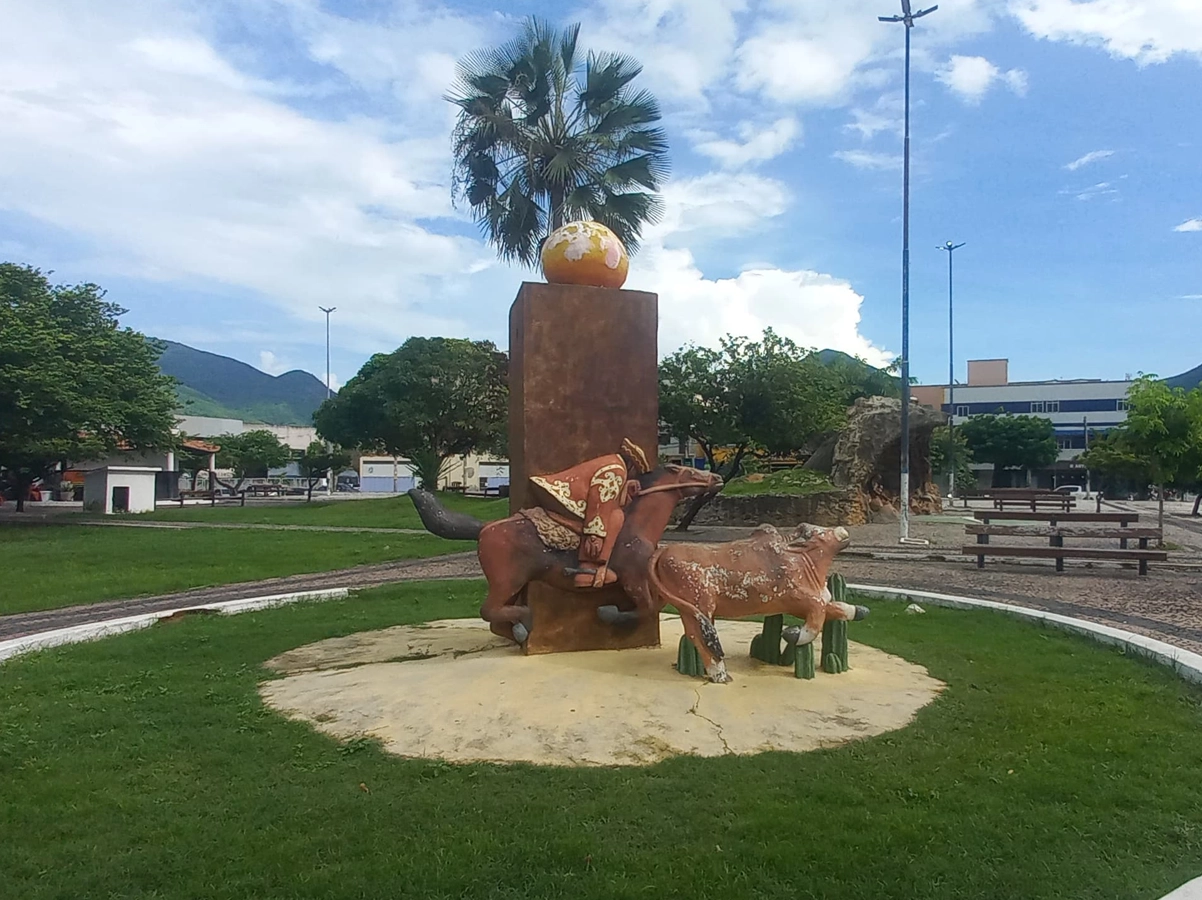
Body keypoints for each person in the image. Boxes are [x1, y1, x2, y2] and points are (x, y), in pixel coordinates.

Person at [527, 438, 652, 588]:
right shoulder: (616, 470)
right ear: (632, 465)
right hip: (563, 498)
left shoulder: (611, 463)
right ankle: (588, 569)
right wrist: (595, 535)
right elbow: (600, 501)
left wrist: (625, 488)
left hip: (554, 492)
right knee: (616, 517)